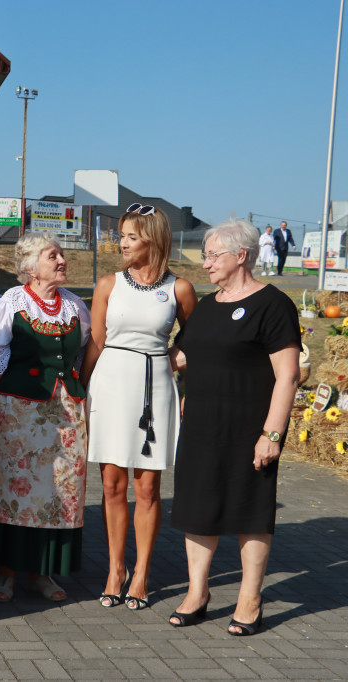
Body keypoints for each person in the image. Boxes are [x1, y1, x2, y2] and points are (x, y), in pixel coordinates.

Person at [167, 218, 299, 636]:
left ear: (240, 256)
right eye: (205, 255)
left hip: (248, 429)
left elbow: (288, 376)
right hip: (201, 428)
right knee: (197, 509)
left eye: (212, 255)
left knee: (250, 513)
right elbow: (182, 357)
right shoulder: (207, 306)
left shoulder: (273, 305)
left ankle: (250, 598)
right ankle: (197, 593)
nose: (205, 264)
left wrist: (272, 434)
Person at [80, 204, 197, 611]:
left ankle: (142, 572)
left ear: (153, 239)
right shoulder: (108, 284)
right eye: (122, 235)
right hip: (110, 384)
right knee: (111, 484)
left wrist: (176, 358)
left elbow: (195, 339)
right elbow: (96, 340)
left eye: (131, 236)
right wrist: (78, 390)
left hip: (155, 388)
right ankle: (115, 569)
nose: (122, 243)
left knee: (147, 488)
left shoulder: (180, 288)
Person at [0, 232, 90, 603]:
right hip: (17, 414)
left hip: (66, 415)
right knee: (12, 489)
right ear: (30, 268)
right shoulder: (12, 302)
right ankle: (6, 572)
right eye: (52, 256)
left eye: (61, 254)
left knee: (56, 492)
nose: (61, 260)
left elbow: (81, 358)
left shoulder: (76, 307)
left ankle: (43, 572)